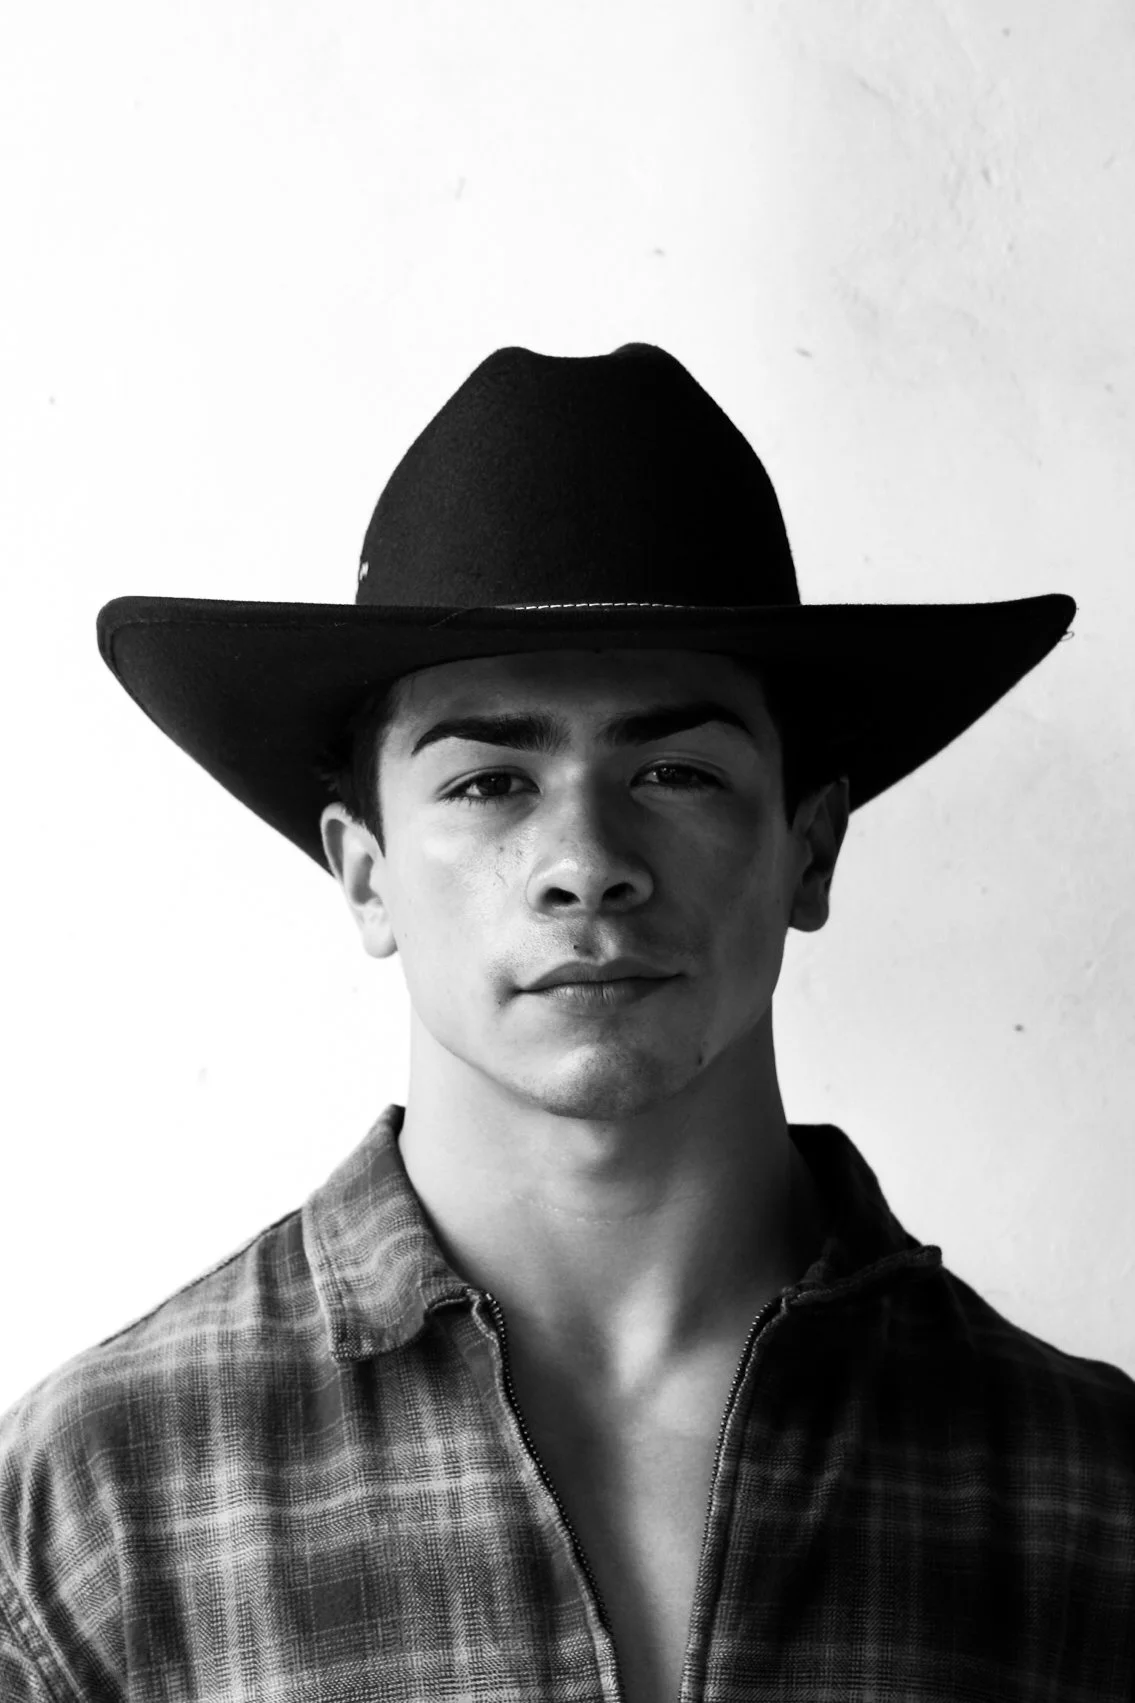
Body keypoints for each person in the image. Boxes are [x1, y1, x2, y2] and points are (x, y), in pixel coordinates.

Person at [1, 344, 1131, 1702]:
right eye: (487, 782)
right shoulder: (103, 1503)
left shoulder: (1084, 1493)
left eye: (673, 769)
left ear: (808, 851)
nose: (584, 857)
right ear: (365, 872)